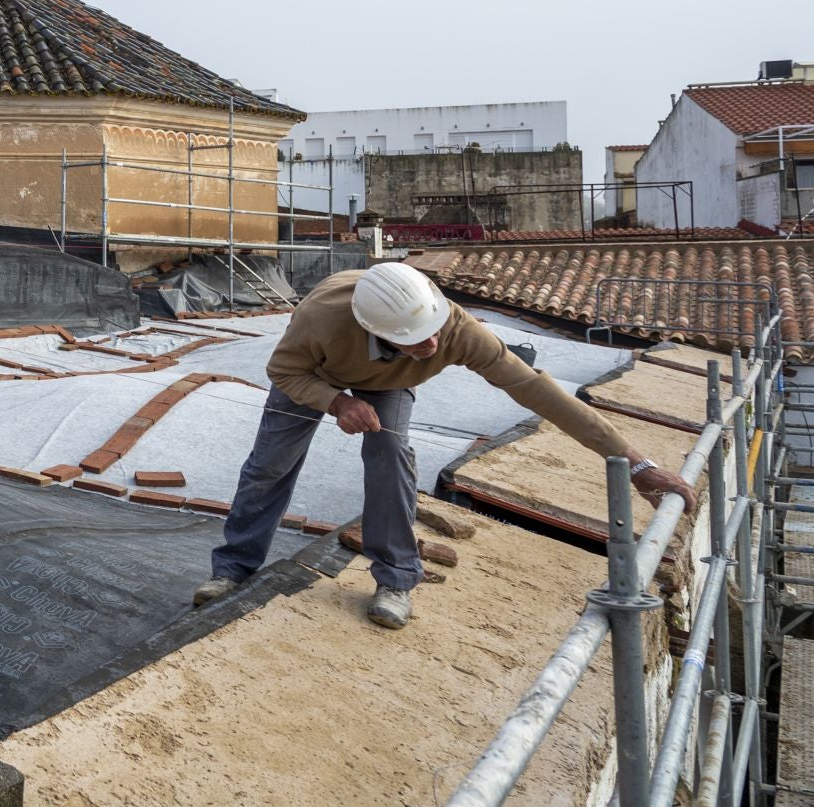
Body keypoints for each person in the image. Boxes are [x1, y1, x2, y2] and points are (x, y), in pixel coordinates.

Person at [191, 262, 697, 630]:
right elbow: (283, 370)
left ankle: (395, 580)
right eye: (416, 341)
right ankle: (233, 570)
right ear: (376, 331)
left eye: (433, 334)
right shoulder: (321, 317)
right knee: (269, 467)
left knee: (390, 457)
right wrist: (337, 403)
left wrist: (636, 465)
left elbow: (538, 391)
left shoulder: (453, 328)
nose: (432, 347)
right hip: (313, 377)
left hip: (385, 384)